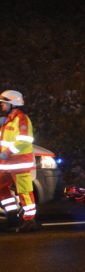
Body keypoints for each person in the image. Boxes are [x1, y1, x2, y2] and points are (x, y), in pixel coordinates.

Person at [0, 90, 38, 232]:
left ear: (12, 103)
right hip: (7, 164)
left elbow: (24, 140)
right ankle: (12, 212)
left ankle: (29, 220)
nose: (2, 106)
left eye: (4, 103)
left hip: (19, 163)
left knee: (25, 192)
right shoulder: (9, 119)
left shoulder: (22, 119)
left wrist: (6, 153)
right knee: (1, 187)